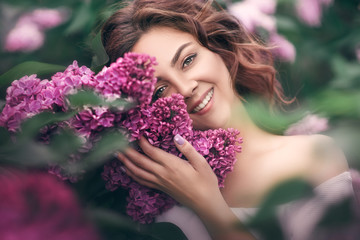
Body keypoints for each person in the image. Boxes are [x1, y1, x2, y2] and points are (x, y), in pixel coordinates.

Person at [101, 0, 356, 239]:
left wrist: (208, 205)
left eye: (188, 60)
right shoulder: (157, 200)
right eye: (159, 90)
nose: (185, 88)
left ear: (219, 49)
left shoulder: (311, 158)